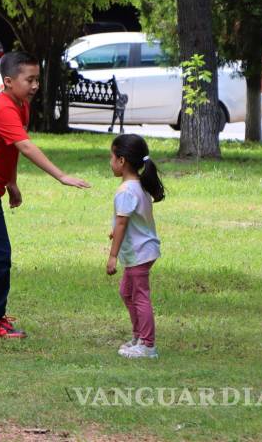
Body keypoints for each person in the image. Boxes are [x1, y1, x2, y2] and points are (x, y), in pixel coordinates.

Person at [0, 51, 91, 339]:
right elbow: (26, 147)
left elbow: (10, 149)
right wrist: (61, 176)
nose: (35, 85)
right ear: (8, 81)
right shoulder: (4, 108)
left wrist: (11, 183)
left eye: (37, 79)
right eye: (29, 80)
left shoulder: (21, 106)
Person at [106, 133, 164, 359]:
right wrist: (117, 231)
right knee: (126, 292)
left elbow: (122, 222)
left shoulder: (126, 190)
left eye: (111, 157)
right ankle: (139, 337)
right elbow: (129, 220)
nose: (110, 162)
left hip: (140, 253)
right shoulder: (137, 185)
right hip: (141, 250)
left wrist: (113, 256)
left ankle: (148, 346)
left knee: (139, 296)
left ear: (122, 161)